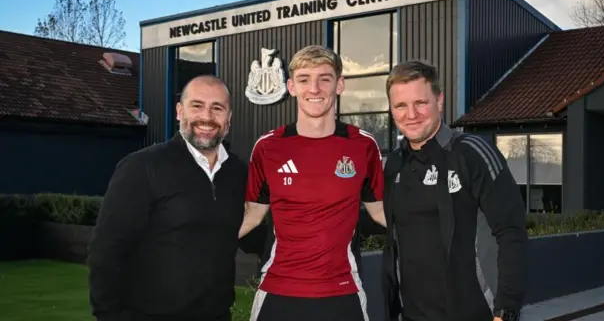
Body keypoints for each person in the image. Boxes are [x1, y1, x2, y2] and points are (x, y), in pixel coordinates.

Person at [87, 75, 258, 321]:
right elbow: (106, 251)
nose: (207, 117)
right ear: (179, 112)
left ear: (229, 117)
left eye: (217, 108)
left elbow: (250, 235)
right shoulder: (142, 167)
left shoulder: (239, 173)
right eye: (197, 106)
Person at [238, 45, 386, 321]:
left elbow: (381, 212)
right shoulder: (268, 147)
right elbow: (252, 215)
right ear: (291, 87)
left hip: (342, 291)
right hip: (278, 289)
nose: (314, 89)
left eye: (324, 79)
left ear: (339, 85)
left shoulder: (363, 145)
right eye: (304, 79)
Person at [381, 60, 528, 321]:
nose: (411, 114)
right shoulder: (393, 164)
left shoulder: (472, 153)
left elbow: (511, 232)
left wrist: (506, 310)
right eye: (401, 105)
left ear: (439, 101)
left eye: (421, 103)